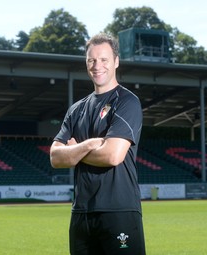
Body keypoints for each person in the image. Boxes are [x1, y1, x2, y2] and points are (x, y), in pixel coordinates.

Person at [50, 33, 146, 255]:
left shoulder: (127, 101)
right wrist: (91, 144)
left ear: (116, 62)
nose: (97, 65)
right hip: (82, 213)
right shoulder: (76, 109)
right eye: (91, 60)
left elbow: (112, 156)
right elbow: (55, 157)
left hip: (118, 211)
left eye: (103, 59)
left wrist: (73, 151)